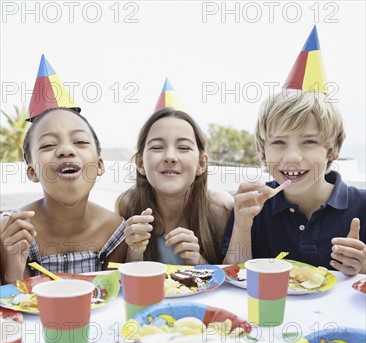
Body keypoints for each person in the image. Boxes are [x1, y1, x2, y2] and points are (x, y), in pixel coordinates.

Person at [222, 91, 366, 275]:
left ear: (333, 149)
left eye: (309, 141)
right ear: (262, 150)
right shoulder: (251, 207)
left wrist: (362, 267)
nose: (292, 157)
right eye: (279, 142)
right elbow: (234, 274)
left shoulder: (362, 205)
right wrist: (242, 226)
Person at [0, 108, 127, 284]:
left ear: (99, 165)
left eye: (80, 141)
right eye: (48, 145)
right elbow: (15, 302)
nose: (66, 150)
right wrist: (12, 270)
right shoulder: (12, 231)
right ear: (32, 171)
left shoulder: (115, 230)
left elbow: (113, 297)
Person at [115, 108, 234, 265]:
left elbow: (232, 279)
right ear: (140, 163)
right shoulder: (127, 204)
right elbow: (123, 279)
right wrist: (135, 250)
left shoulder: (219, 207)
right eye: (157, 147)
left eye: (183, 148)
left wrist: (197, 260)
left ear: (201, 163)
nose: (170, 157)